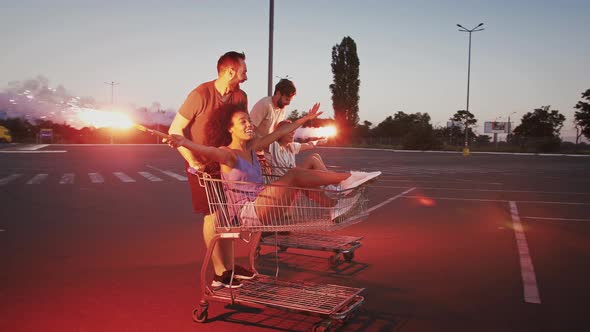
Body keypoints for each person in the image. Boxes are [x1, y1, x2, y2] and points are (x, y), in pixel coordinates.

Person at [169, 104, 381, 259]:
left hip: (266, 204)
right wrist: (183, 141)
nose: (249, 124)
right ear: (230, 129)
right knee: (295, 175)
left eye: (249, 121)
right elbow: (208, 151)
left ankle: (335, 206)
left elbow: (280, 131)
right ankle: (348, 179)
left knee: (303, 171)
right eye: (242, 122)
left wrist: (304, 119)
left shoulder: (252, 149)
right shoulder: (228, 155)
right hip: (248, 213)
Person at [167, 51, 252, 289]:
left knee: (229, 216)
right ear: (230, 71)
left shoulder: (240, 97)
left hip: (226, 161)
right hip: (202, 165)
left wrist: (252, 156)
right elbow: (176, 130)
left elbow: (241, 129)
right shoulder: (200, 95)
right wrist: (194, 161)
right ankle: (219, 272)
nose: (246, 76)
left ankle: (230, 267)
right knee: (213, 215)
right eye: (244, 71)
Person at [249, 79, 297, 168]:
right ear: (278, 93)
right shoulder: (265, 104)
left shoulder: (282, 109)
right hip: (254, 152)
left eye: (290, 100)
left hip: (267, 153)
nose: (288, 103)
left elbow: (278, 132)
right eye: (286, 99)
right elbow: (250, 129)